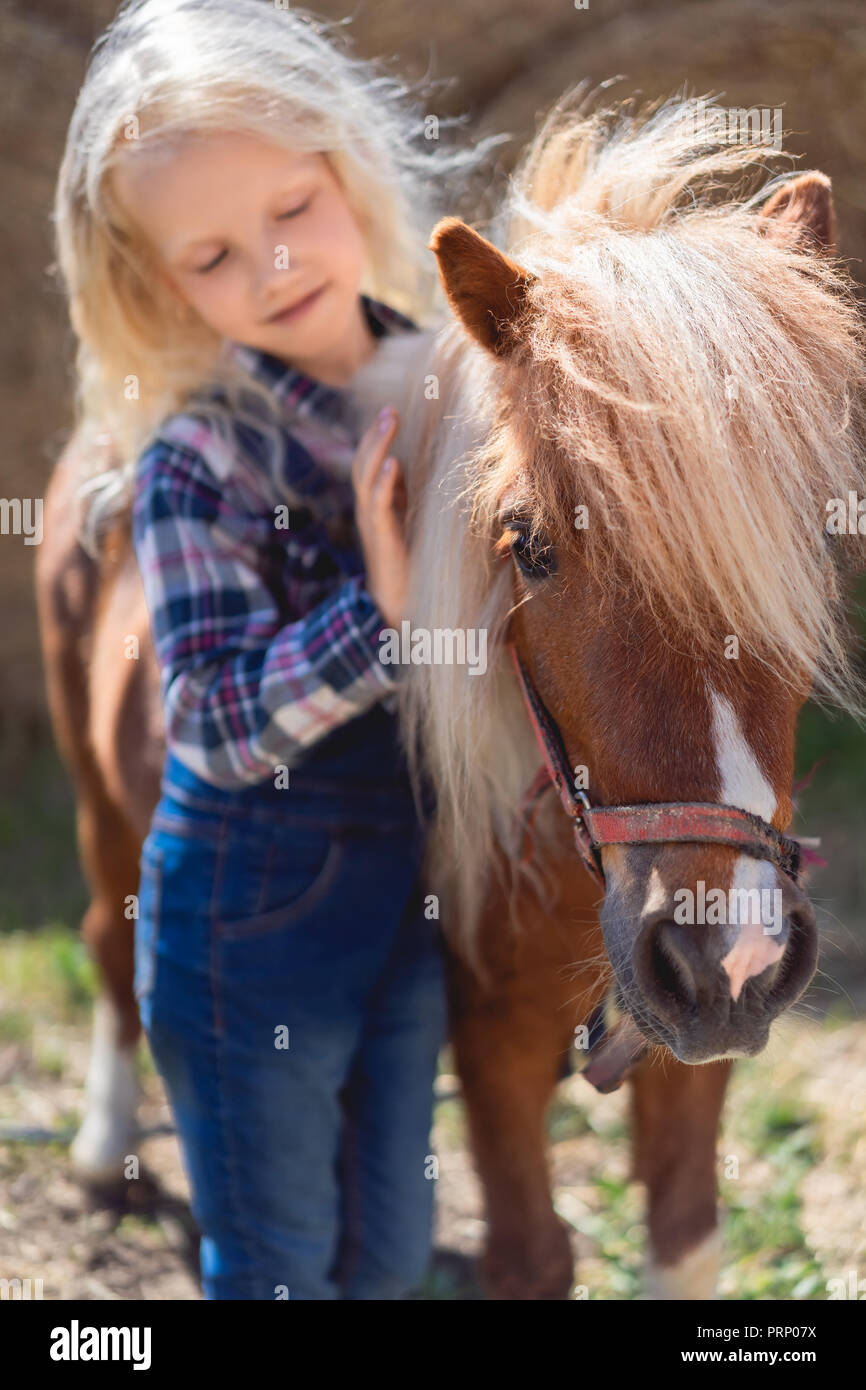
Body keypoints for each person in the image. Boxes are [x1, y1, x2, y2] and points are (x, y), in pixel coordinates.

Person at [53, 0, 501, 1299]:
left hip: (404, 907)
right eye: (211, 256)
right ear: (155, 286)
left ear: (347, 165)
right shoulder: (200, 459)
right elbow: (212, 718)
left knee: (392, 1250)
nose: (272, 267)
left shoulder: (461, 386)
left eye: (293, 208)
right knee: (279, 1259)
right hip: (248, 920)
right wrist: (385, 607)